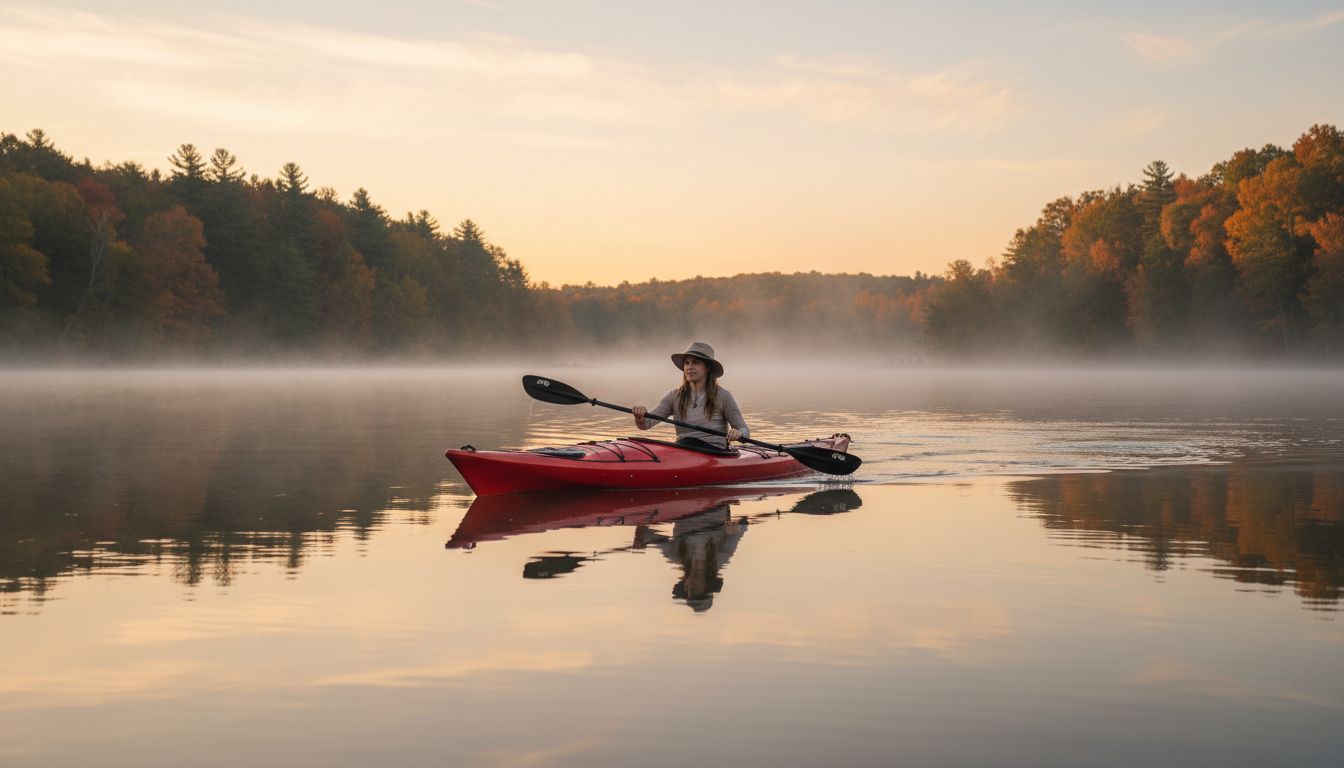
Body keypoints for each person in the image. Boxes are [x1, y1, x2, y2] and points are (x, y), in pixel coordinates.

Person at [632, 341, 750, 450]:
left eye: (696, 362)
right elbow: (646, 424)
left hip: (714, 452)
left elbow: (744, 430)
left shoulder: (723, 396)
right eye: (687, 363)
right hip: (684, 450)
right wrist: (640, 418)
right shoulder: (674, 396)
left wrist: (738, 433)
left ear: (708, 367)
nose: (689, 367)